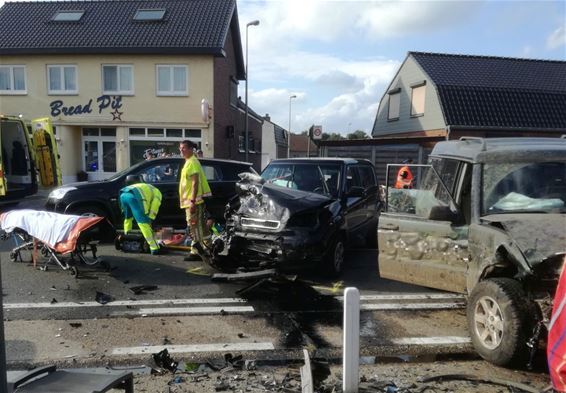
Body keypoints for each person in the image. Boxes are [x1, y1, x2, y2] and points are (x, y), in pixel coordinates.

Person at [179, 140, 212, 262]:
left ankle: (196, 252)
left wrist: (192, 201)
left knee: (194, 226)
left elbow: (195, 183)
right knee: (201, 226)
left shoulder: (192, 162)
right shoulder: (189, 162)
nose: (181, 150)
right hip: (193, 201)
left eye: (183, 148)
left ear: (190, 149)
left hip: (193, 202)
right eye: (180, 148)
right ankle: (208, 246)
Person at [119, 175, 164, 255]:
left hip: (123, 194)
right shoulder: (157, 192)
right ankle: (154, 248)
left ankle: (127, 240)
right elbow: (155, 205)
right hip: (134, 196)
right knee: (143, 223)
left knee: (128, 219)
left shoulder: (142, 186)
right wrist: (150, 217)